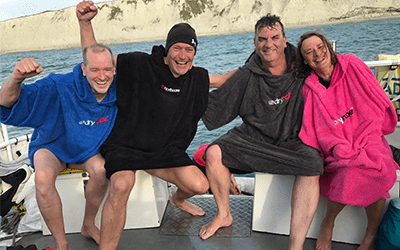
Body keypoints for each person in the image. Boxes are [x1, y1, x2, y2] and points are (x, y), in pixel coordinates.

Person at [75, 1, 236, 249]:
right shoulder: (140, 64)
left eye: (189, 50)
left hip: (163, 151)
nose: (182, 56)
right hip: (126, 146)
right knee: (121, 184)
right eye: (177, 48)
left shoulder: (196, 77)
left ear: (195, 53)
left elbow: (225, 80)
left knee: (199, 185)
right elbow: (97, 63)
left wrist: (270, 62)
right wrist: (85, 22)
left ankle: (177, 200)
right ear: (167, 49)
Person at [199, 14, 324, 249]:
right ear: (255, 43)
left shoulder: (303, 65)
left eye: (275, 37)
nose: (269, 44)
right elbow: (212, 106)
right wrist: (172, 93)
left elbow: (332, 73)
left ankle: (295, 246)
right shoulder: (246, 75)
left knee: (313, 163)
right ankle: (224, 214)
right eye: (262, 39)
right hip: (254, 139)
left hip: (293, 138)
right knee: (213, 152)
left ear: (285, 40)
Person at [0, 44, 118, 250]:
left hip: (85, 149)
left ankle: (88, 224)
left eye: (107, 69)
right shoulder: (59, 85)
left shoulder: (120, 89)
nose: (102, 76)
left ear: (114, 69)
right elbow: (5, 102)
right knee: (43, 178)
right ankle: (61, 243)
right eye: (94, 70)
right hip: (51, 144)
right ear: (83, 69)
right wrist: (17, 78)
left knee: (101, 169)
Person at [293, 30, 399, 250]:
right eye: (309, 52)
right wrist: (339, 142)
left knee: (377, 167)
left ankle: (370, 235)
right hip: (338, 142)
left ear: (328, 47)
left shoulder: (352, 64)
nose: (317, 54)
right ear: (305, 60)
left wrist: (365, 131)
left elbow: (375, 97)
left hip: (368, 135)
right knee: (347, 169)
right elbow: (316, 126)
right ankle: (328, 224)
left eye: (320, 47)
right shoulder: (309, 88)